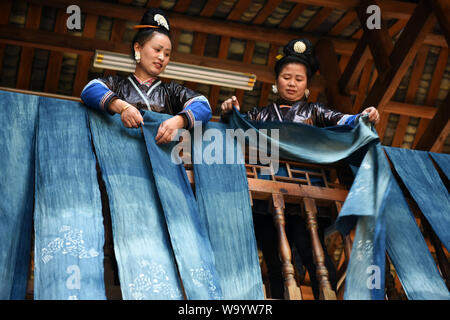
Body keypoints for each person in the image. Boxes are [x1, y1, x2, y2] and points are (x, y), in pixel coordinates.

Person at [220, 38, 379, 299]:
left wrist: (364, 116)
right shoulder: (261, 114)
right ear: (276, 81)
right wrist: (229, 112)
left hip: (307, 193)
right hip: (265, 197)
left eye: (299, 79)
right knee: (273, 258)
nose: (292, 83)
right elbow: (239, 127)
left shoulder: (315, 111)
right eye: (286, 77)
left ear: (306, 85)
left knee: (312, 251)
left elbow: (345, 121)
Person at [81, 8, 212, 144]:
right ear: (138, 48)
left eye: (167, 54)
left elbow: (203, 105)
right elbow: (90, 89)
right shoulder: (117, 84)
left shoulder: (171, 92)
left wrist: (179, 121)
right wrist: (123, 107)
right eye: (157, 50)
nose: (162, 57)